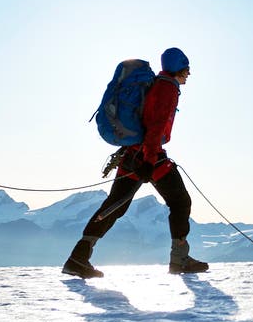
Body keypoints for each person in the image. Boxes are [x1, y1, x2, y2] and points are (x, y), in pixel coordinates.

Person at [63, 47, 208, 277]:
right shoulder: (167, 88)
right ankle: (180, 259)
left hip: (133, 154)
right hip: (149, 157)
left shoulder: (158, 85)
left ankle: (78, 258)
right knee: (180, 201)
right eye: (187, 68)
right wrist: (150, 160)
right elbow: (156, 124)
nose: (189, 73)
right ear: (179, 67)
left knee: (115, 206)